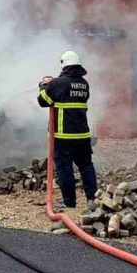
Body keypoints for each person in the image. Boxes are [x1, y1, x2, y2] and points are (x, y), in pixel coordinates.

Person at [37, 50, 98, 211]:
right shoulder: (84, 84)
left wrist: (43, 86)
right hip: (83, 135)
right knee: (86, 165)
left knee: (65, 168)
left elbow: (43, 101)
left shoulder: (58, 83)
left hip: (63, 136)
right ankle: (92, 198)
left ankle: (69, 202)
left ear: (64, 65)